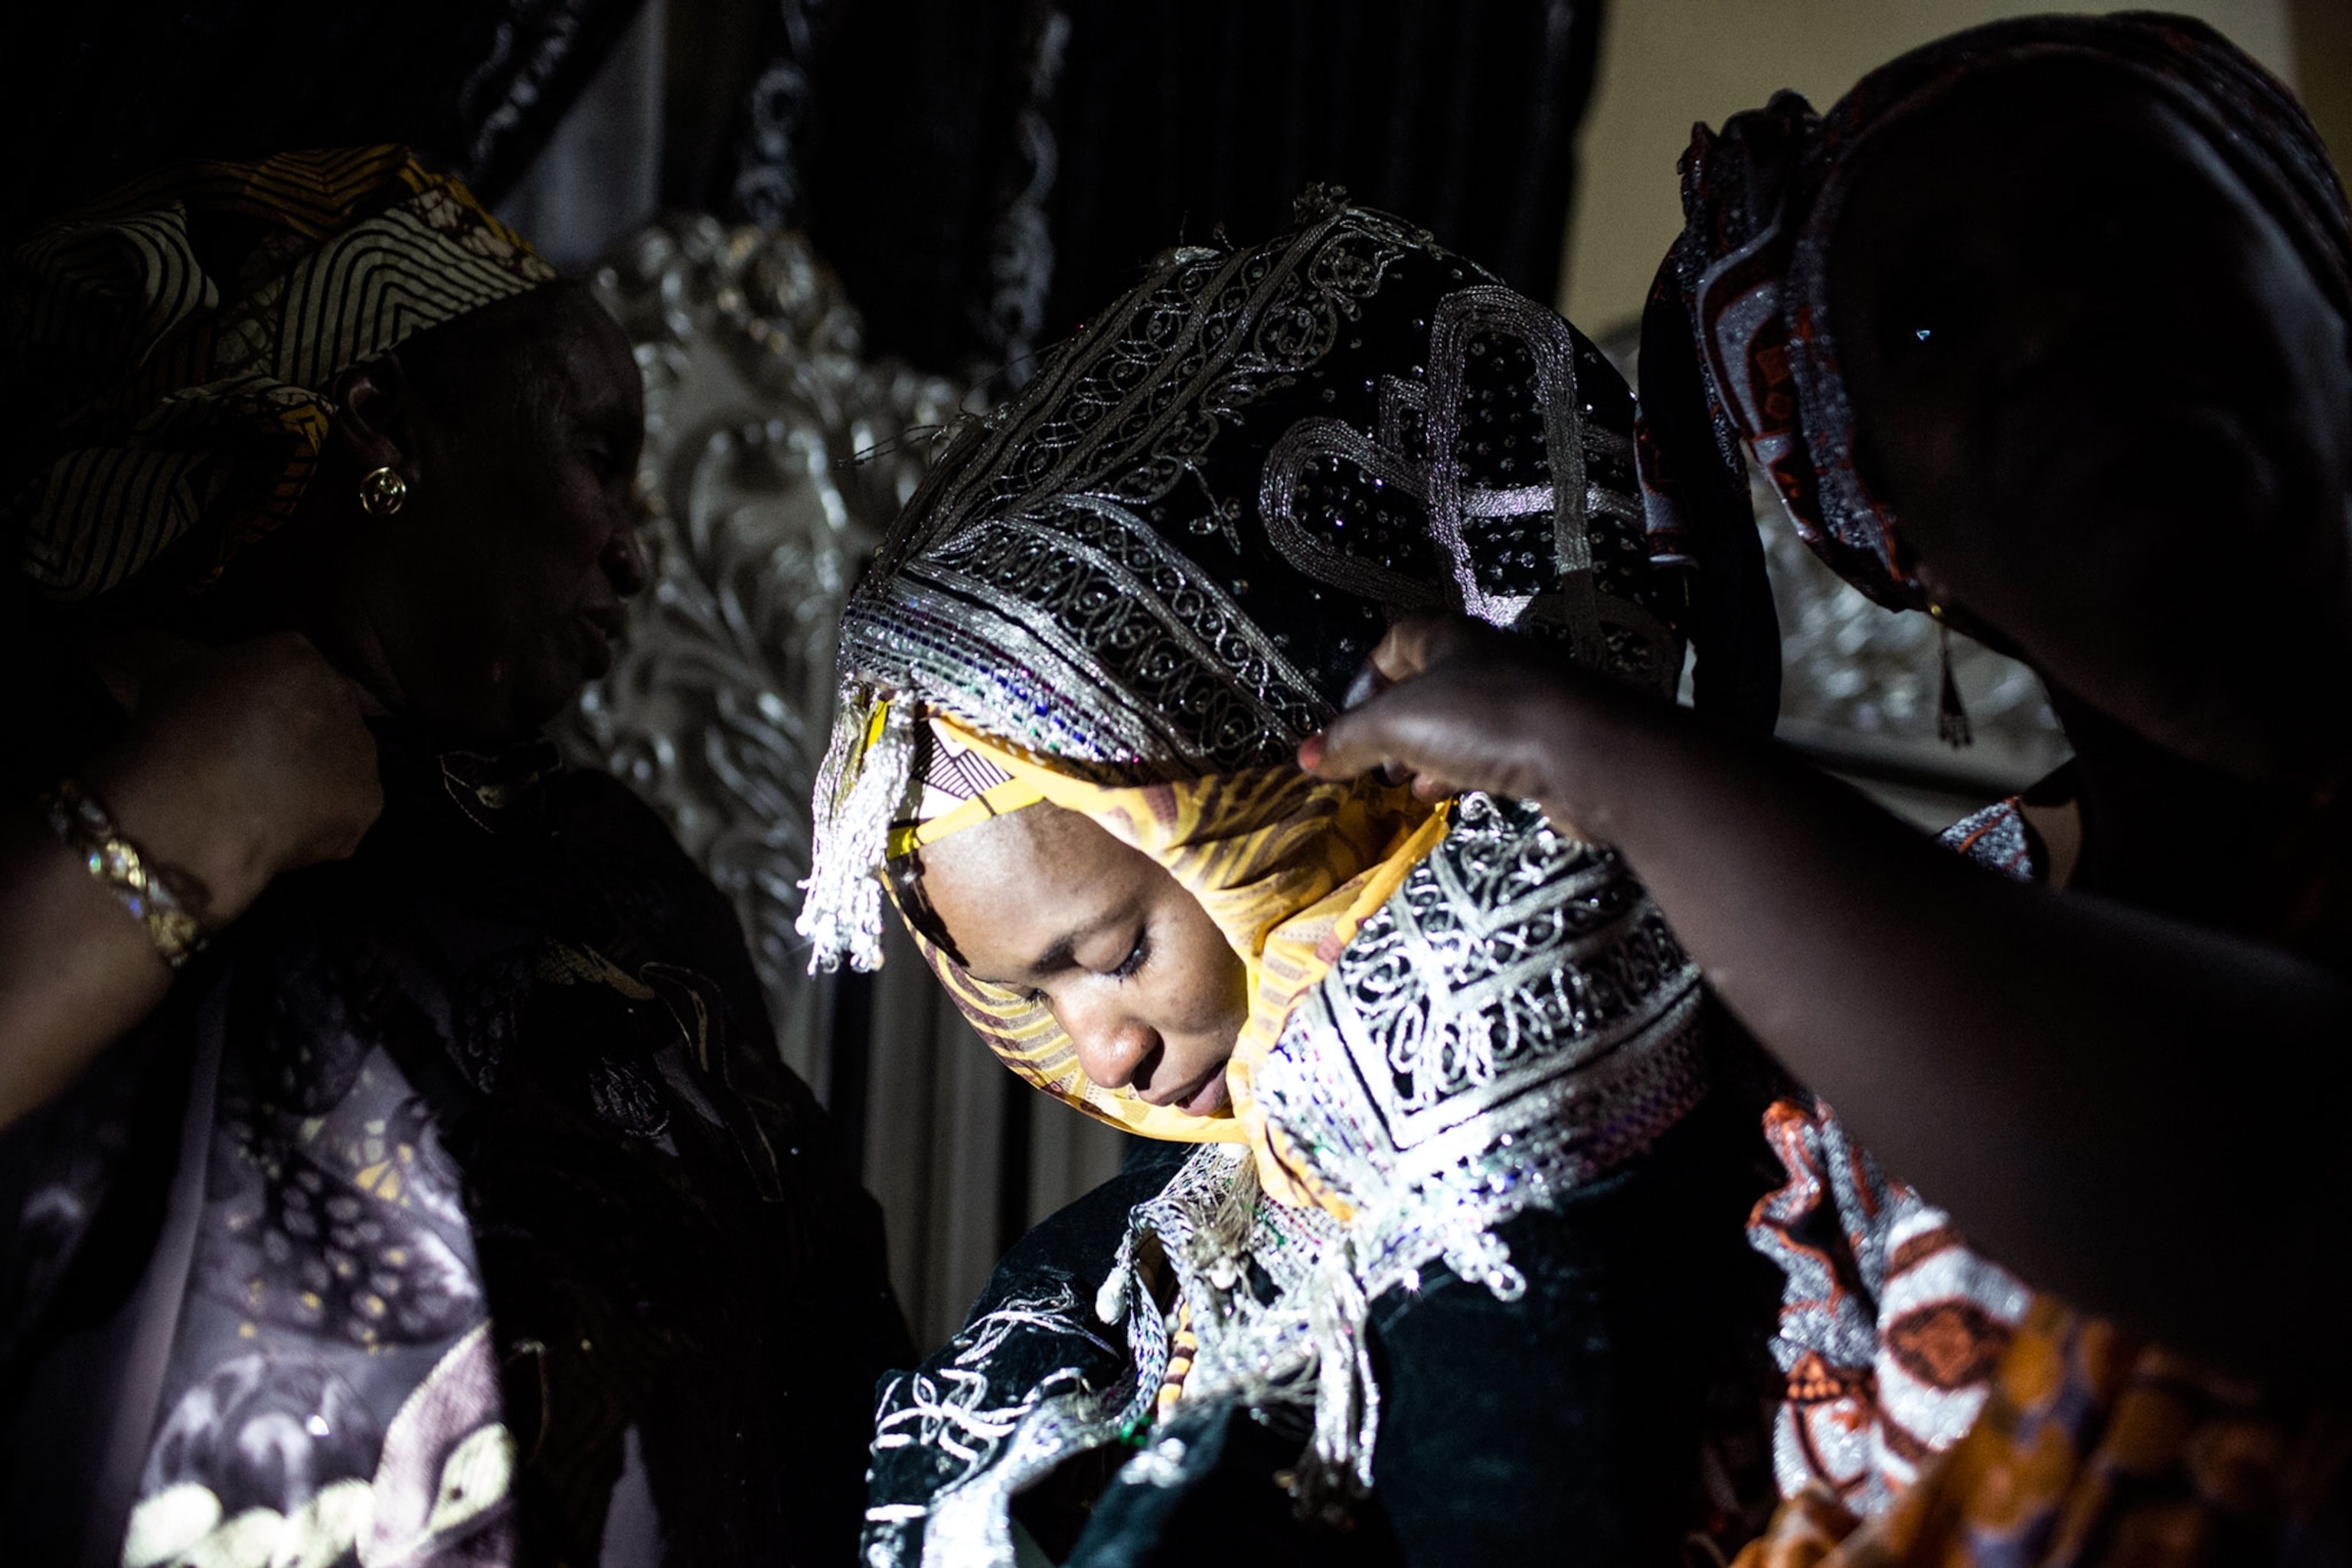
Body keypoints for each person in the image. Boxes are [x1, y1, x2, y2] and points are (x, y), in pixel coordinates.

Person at [1304, 15, 2352, 1566]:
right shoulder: (1860, 1017)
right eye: (1928, 328)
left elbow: (2287, 1189)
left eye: (2123, 214)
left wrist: (1617, 764)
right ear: (1883, 519)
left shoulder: (1843, 941)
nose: (2056, 327)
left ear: (2325, 278)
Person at [798, 194, 1795, 1566]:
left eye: (1113, 951)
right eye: (1029, 989)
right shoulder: (1144, 1243)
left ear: (1293, 787)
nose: (1107, 1050)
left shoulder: (1497, 1034)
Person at [0, 148, 907, 1567]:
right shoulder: (57, 738)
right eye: (598, 454)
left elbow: (822, 1317)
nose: (639, 554)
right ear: (385, 426)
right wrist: (174, 825)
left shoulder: (609, 871)